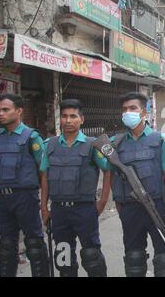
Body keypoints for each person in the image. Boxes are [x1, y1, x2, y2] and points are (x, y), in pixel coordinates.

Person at [109, 92, 165, 277]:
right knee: (134, 261)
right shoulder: (115, 144)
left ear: (144, 112)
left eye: (133, 108)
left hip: (158, 207)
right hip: (130, 210)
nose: (127, 113)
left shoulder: (160, 140)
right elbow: (111, 174)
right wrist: (119, 205)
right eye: (124, 109)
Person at [39, 99, 111, 277]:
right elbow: (45, 177)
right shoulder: (49, 145)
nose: (68, 120)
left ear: (82, 119)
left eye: (73, 116)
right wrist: (43, 208)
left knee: (91, 256)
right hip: (59, 211)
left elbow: (109, 170)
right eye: (64, 116)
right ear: (60, 119)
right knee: (64, 258)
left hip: (85, 210)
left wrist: (102, 202)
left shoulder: (93, 145)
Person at [0, 94, 50, 277]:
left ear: (19, 111)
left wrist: (43, 205)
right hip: (2, 199)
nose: (0, 113)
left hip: (25, 198)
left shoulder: (32, 138)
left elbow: (44, 172)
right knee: (6, 247)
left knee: (34, 246)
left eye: (5, 110)